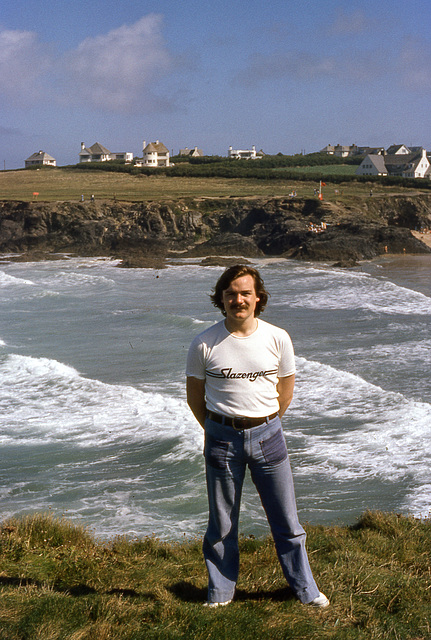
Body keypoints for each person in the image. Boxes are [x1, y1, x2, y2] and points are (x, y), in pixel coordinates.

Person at [186, 265, 329, 608]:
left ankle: (306, 591)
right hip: (222, 438)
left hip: (269, 436)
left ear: (258, 298)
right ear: (221, 299)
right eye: (231, 293)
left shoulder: (277, 337)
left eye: (245, 293)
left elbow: (286, 391)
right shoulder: (204, 342)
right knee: (222, 523)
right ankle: (220, 593)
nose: (238, 300)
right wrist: (221, 431)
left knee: (287, 521)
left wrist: (263, 424)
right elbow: (195, 397)